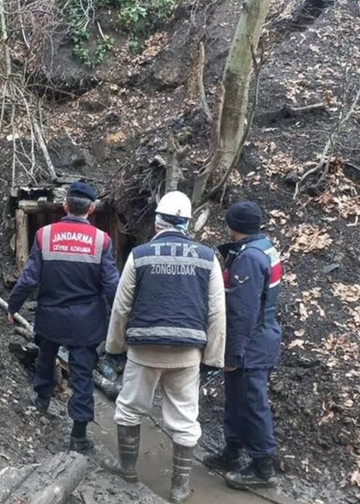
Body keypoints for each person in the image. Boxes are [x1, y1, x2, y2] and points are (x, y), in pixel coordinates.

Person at [103, 191, 226, 504]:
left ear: (158, 220)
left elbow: (121, 306)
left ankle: (128, 470)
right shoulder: (206, 257)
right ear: (186, 223)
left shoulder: (141, 254)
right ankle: (179, 488)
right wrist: (213, 358)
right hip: (187, 353)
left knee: (129, 408)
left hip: (144, 350)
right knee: (185, 420)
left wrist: (114, 347)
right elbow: (216, 311)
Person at [7, 181, 120, 454]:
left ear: (65, 205)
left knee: (46, 357)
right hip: (87, 323)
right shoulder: (102, 240)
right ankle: (79, 436)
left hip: (51, 318)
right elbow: (113, 286)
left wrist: (13, 307)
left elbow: (28, 278)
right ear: (91, 209)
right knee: (82, 375)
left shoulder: (45, 235)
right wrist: (121, 320)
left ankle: (42, 399)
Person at [204, 201, 283, 490]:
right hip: (261, 335)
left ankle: (263, 468)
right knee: (237, 399)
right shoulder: (264, 246)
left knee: (252, 403)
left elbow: (243, 311)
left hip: (252, 344)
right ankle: (232, 451)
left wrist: (234, 353)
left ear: (231, 225)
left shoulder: (249, 258)